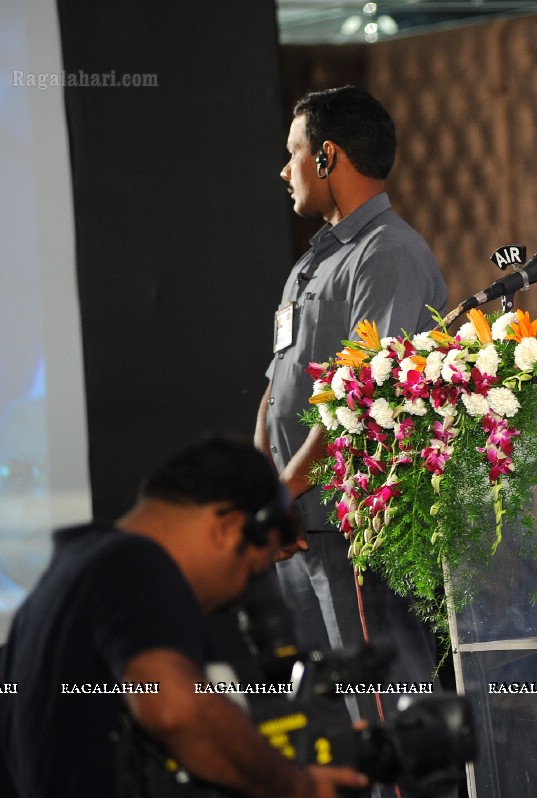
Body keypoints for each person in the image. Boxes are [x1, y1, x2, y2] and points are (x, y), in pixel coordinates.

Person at [0, 437, 368, 798]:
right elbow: (175, 711)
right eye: (251, 571)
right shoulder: (134, 563)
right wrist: (294, 786)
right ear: (225, 527)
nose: (238, 596)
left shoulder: (61, 580)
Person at [257, 86, 448, 727]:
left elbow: (372, 400)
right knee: (336, 727)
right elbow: (276, 384)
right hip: (299, 527)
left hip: (355, 531)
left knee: (389, 719)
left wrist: (287, 489)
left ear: (328, 156)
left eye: (294, 154)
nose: (285, 171)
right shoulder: (313, 263)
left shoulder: (389, 255)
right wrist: (268, 489)